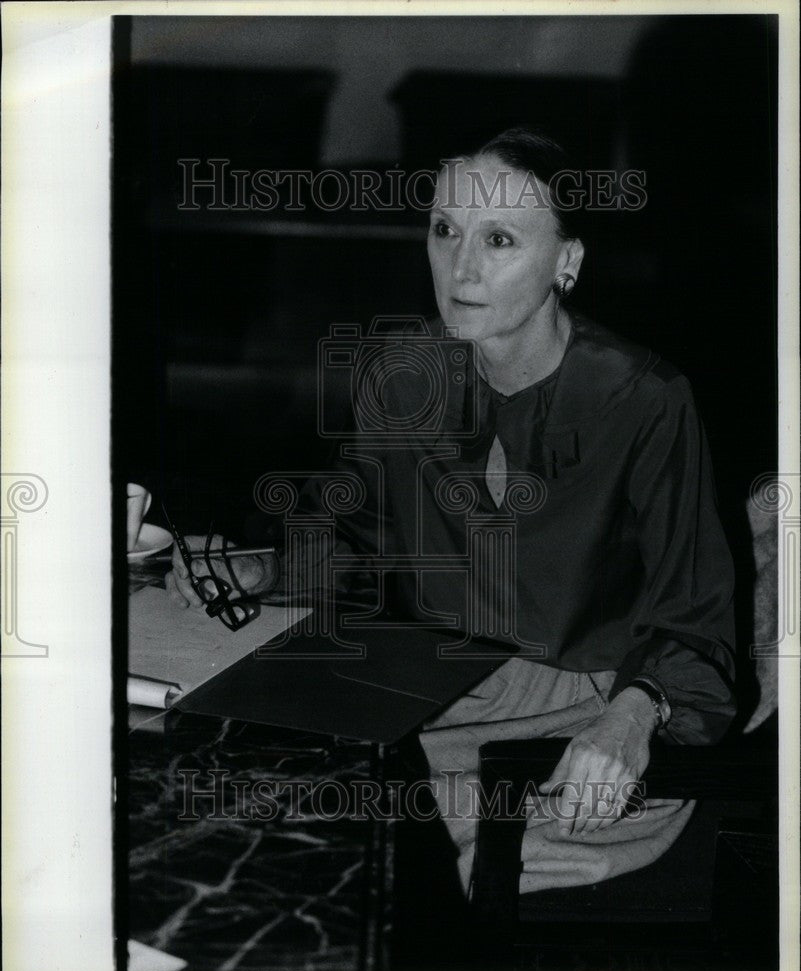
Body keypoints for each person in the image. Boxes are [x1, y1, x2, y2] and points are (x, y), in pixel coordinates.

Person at [167, 127, 736, 896]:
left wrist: (631, 720)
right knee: (224, 815)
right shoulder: (405, 378)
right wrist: (261, 567)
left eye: (499, 239)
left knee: (384, 877)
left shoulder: (641, 398)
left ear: (566, 262)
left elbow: (694, 616)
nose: (461, 268)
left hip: (578, 718)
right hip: (422, 693)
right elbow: (358, 543)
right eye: (444, 231)